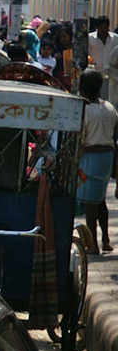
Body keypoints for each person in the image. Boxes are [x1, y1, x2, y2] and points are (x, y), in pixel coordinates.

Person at [78, 69, 117, 252]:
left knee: (90, 204)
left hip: (91, 157)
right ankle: (106, 240)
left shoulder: (85, 110)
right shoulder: (109, 108)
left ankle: (92, 243)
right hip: (107, 157)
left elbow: (82, 137)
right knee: (100, 200)